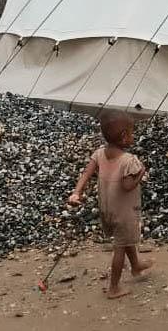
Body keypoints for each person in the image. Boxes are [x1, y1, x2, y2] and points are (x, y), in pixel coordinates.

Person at [68, 112, 152, 298]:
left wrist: (77, 192)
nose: (133, 136)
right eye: (132, 133)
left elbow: (86, 174)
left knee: (124, 240)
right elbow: (127, 186)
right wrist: (141, 172)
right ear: (123, 136)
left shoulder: (99, 154)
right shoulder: (129, 160)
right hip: (125, 213)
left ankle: (136, 266)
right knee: (119, 249)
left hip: (107, 210)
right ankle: (114, 288)